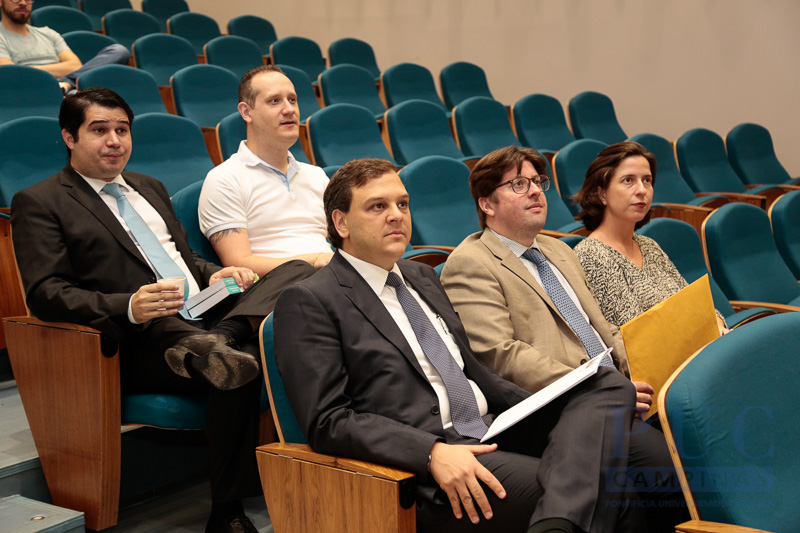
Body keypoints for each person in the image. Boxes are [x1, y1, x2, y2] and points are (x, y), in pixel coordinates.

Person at [273, 158, 650, 533]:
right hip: (433, 457)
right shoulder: (311, 300)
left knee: (607, 386)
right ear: (341, 223)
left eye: (402, 204)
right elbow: (328, 421)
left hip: (495, 427)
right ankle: (557, 522)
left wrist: (552, 403)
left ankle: (560, 519)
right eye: (377, 206)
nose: (396, 215)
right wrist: (430, 453)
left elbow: (473, 372)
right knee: (615, 495)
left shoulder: (421, 276)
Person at [11, 87, 315, 533]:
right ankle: (226, 511)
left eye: (122, 130)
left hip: (206, 315)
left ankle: (224, 338)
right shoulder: (41, 202)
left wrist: (216, 273)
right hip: (141, 337)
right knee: (237, 364)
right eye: (99, 130)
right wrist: (129, 306)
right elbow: (45, 292)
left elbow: (186, 260)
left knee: (296, 271)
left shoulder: (149, 187)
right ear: (70, 138)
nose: (114, 140)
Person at [440, 146, 688, 532]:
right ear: (487, 203)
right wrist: (599, 384)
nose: (535, 191)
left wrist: (642, 370)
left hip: (615, 393)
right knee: (671, 468)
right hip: (558, 409)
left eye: (537, 182)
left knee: (696, 436)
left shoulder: (557, 249)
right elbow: (501, 355)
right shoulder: (471, 263)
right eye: (518, 184)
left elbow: (604, 330)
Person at [572, 141, 728, 333]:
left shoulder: (648, 245)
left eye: (647, 180)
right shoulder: (591, 255)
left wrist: (717, 323)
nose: (642, 190)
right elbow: (638, 333)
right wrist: (704, 327)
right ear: (602, 194)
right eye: (628, 180)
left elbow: (694, 303)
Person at [199, 65, 333, 277]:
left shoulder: (316, 176)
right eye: (274, 101)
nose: (289, 109)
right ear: (246, 112)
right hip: (280, 288)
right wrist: (315, 261)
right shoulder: (224, 179)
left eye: (292, 100)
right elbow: (238, 263)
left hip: (333, 280)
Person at [0, 0, 130, 93]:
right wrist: (55, 72)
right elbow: (12, 73)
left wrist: (26, 68)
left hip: (63, 89)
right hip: (31, 88)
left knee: (119, 51)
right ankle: (69, 83)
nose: (23, 3)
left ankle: (67, 83)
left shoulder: (48, 33)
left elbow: (74, 66)